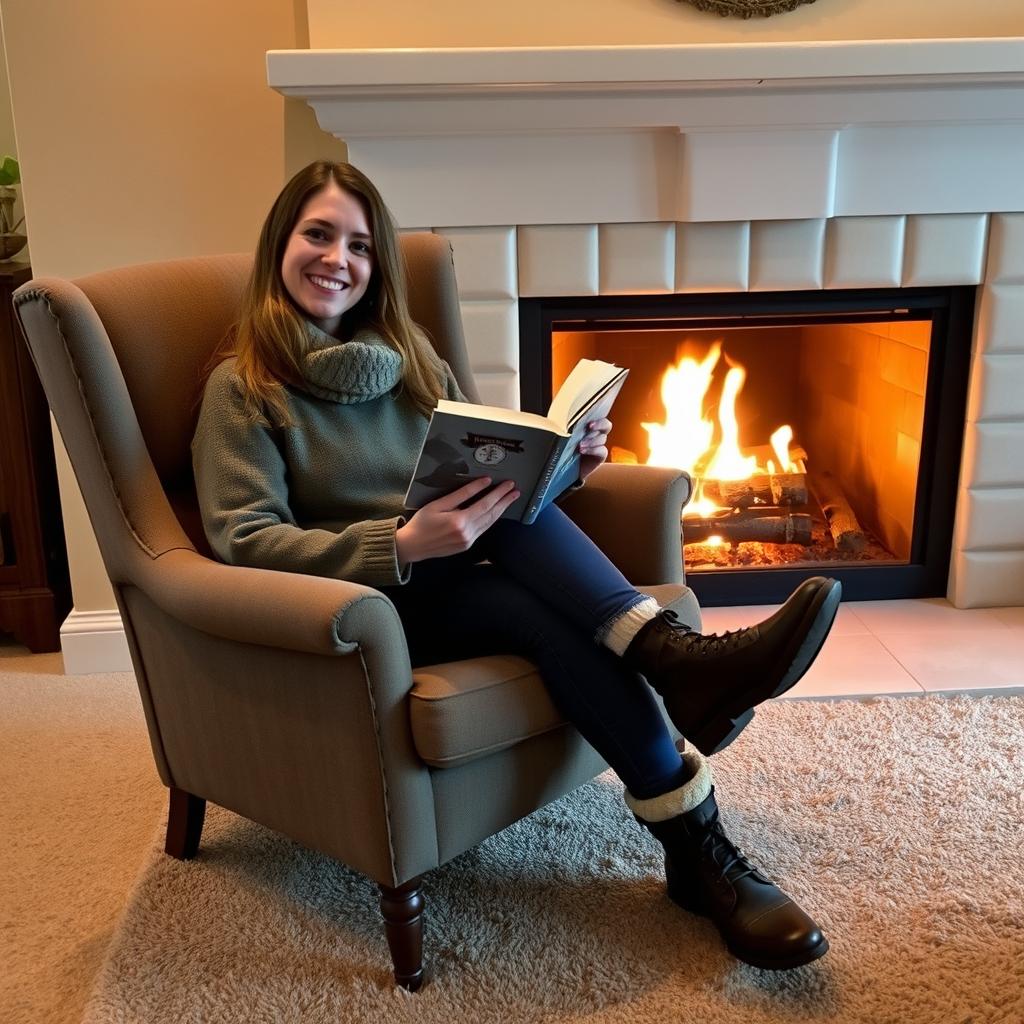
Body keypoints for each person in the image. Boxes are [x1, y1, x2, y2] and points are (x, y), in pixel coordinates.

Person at [192, 160, 843, 972]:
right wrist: (397, 545)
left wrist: (568, 464)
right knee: (515, 558)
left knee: (542, 609)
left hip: (466, 582)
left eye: (359, 244)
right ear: (279, 246)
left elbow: (489, 487)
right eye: (317, 235)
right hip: (364, 611)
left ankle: (698, 854)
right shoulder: (242, 389)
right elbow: (244, 540)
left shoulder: (413, 359)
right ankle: (674, 662)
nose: (337, 259)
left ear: (378, 265)